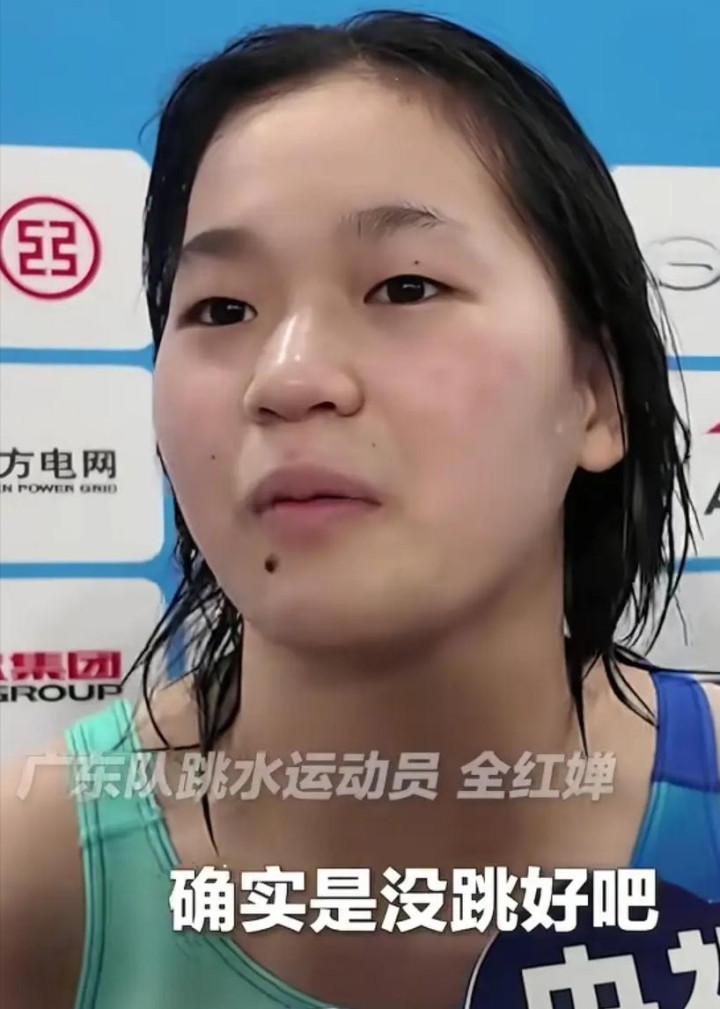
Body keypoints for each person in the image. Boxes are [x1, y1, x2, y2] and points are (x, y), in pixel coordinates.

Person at [1, 10, 718, 1009]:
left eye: (405, 287)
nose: (288, 377)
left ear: (597, 396)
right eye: (221, 309)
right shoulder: (38, 878)